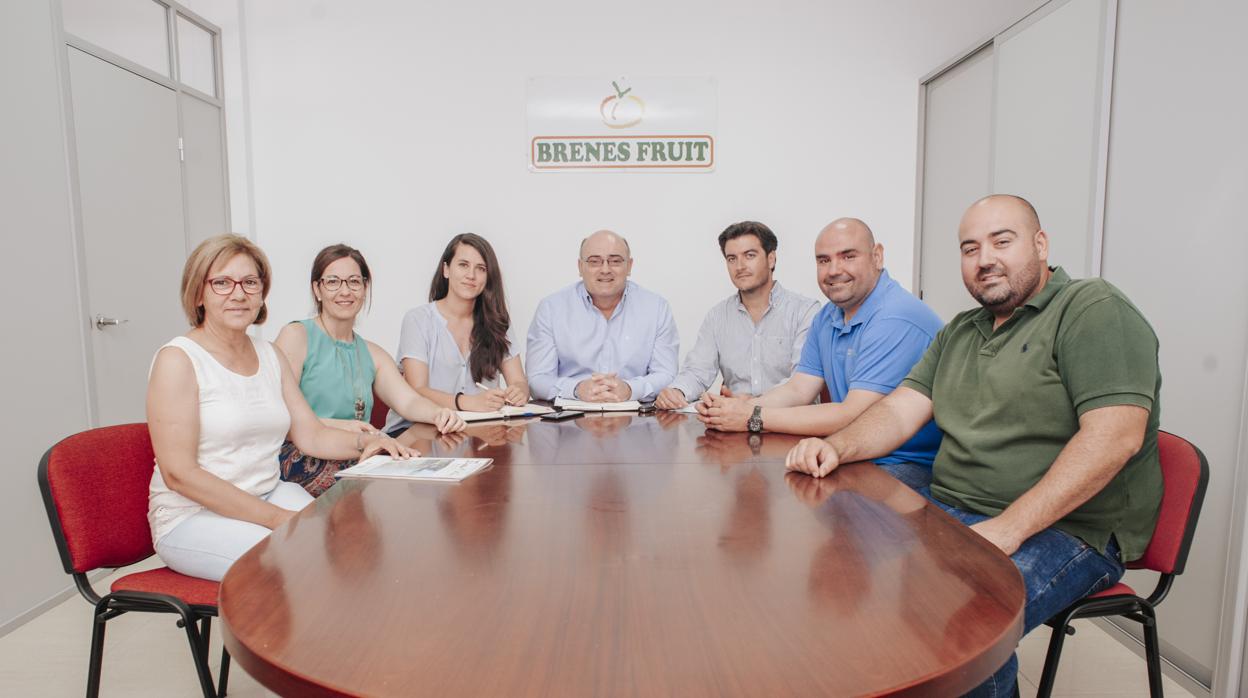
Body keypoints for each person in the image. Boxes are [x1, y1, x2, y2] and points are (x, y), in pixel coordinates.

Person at [786, 195, 1163, 697]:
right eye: (970, 248)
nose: (984, 258)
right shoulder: (963, 329)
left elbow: (1114, 437)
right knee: (858, 578)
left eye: (1001, 241)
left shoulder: (1092, 308)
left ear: (1040, 243)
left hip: (1069, 527)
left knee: (963, 626)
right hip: (959, 507)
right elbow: (901, 409)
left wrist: (1008, 529)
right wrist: (837, 446)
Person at [147, 234, 413, 582]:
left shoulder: (269, 356)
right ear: (199, 292)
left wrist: (368, 443)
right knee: (293, 559)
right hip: (191, 517)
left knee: (345, 545)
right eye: (222, 283)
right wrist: (274, 518)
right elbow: (179, 474)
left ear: (261, 292)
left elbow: (311, 433)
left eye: (249, 282)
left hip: (266, 491)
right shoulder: (178, 360)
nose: (238, 293)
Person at [698, 218, 943, 488]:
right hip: (849, 449)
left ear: (877, 257)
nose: (834, 270)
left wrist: (750, 417)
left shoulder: (895, 317)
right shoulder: (827, 316)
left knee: (812, 501)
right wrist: (739, 409)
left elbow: (853, 414)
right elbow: (799, 390)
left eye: (848, 256)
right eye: (823, 260)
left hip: (905, 462)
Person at [274, 244, 465, 496]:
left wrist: (441, 414)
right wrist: (338, 426)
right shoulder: (296, 336)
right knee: (380, 488)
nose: (345, 291)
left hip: (359, 453)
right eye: (333, 282)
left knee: (417, 481)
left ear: (365, 288)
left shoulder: (372, 353)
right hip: (303, 454)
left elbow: (408, 401)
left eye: (354, 281)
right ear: (317, 290)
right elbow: (275, 414)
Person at [654, 221, 819, 410]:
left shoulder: (805, 311)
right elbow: (698, 371)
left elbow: (801, 384)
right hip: (733, 423)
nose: (739, 266)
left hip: (789, 424)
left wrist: (751, 404)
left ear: (771, 259)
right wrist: (677, 391)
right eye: (732, 258)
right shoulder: (717, 316)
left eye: (749, 255)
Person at [385, 233, 529, 433]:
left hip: (473, 432)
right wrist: (468, 403)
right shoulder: (418, 320)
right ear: (446, 270)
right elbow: (416, 390)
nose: (471, 275)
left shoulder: (499, 323)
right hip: (416, 431)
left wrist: (519, 392)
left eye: (481, 269)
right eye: (463, 265)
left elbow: (519, 381)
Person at [527, 230, 678, 402]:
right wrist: (576, 389)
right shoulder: (551, 308)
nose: (605, 269)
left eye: (615, 261)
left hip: (638, 417)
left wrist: (630, 390)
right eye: (594, 262)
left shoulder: (656, 308)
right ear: (580, 267)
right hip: (569, 419)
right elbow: (537, 379)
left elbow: (667, 374)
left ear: (629, 266)